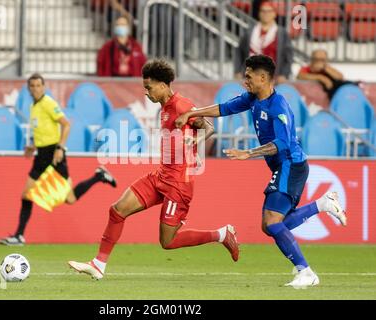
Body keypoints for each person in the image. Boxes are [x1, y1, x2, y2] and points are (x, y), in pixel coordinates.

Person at [175, 55, 347, 288]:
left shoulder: (278, 106)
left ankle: (306, 271)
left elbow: (283, 144)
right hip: (282, 166)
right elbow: (224, 108)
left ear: (263, 77)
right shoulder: (253, 99)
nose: (245, 80)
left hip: (291, 165)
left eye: (249, 76)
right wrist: (193, 113)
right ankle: (322, 205)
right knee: (270, 225)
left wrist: (249, 153)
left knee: (272, 222)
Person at [68, 59, 239, 280]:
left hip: (178, 183)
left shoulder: (181, 105)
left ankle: (222, 234)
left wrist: (193, 142)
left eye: (149, 87)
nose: (146, 93)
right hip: (160, 176)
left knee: (167, 242)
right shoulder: (164, 109)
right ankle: (99, 264)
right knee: (117, 210)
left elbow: (208, 127)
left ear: (163, 85)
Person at [0, 73, 117, 246]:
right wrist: (33, 146)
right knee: (26, 195)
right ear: (29, 89)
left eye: (39, 85)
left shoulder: (48, 103)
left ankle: (99, 176)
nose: (36, 89)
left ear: (44, 87)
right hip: (41, 155)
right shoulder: (33, 106)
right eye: (33, 86)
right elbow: (42, 131)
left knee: (70, 199)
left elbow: (66, 124)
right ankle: (19, 235)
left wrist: (60, 148)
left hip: (54, 155)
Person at [234, 1, 293, 84]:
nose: (266, 14)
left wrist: (284, 74)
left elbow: (288, 56)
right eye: (263, 11)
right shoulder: (249, 32)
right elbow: (239, 52)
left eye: (269, 11)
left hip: (273, 79)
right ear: (259, 13)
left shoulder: (282, 33)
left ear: (274, 14)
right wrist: (237, 71)